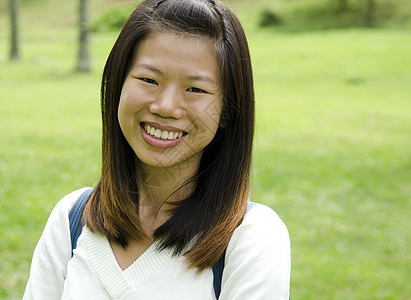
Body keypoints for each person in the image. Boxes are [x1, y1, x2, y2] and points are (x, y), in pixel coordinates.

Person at [23, 0, 290, 298]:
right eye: (149, 80)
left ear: (227, 110)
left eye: (196, 89)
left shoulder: (252, 237)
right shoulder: (71, 219)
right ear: (118, 87)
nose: (166, 107)